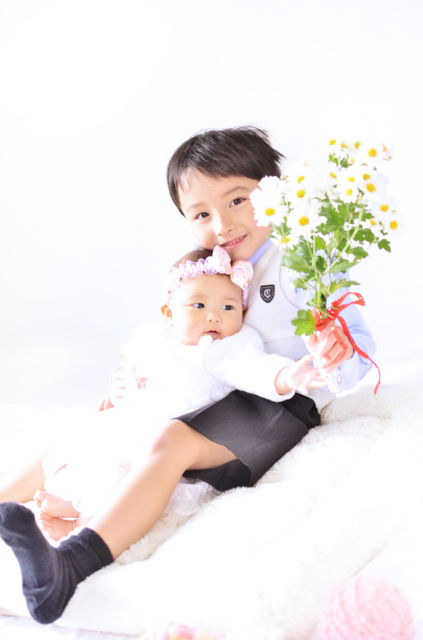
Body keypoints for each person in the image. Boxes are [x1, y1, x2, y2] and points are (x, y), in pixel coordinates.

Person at [0, 126, 375, 625]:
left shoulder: (302, 261)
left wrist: (332, 356)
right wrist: (131, 381)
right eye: (201, 214)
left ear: (275, 193)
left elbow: (357, 343)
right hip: (206, 394)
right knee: (90, 430)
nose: (222, 224)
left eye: (237, 200)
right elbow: (173, 336)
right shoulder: (207, 269)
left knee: (172, 441)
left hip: (275, 403)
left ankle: (71, 564)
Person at [33, 245, 323, 541]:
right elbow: (131, 372)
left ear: (243, 312)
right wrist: (120, 387)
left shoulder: (226, 349)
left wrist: (286, 377)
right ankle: (74, 500)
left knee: (128, 476)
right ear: (169, 314)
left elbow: (253, 368)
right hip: (134, 425)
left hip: (170, 441)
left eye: (228, 308)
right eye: (199, 306)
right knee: (93, 452)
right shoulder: (158, 341)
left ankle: (82, 525)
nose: (214, 317)